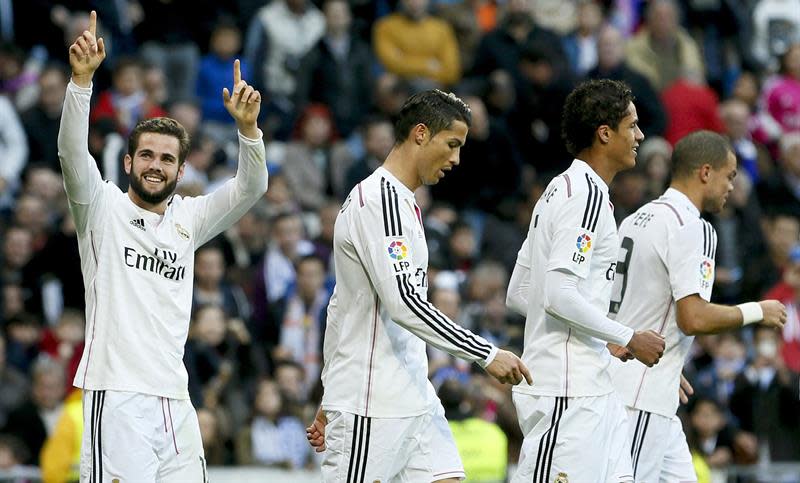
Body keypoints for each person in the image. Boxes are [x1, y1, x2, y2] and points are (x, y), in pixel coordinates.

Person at [60, 12, 268, 480]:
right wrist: (81, 83)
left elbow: (250, 187)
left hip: (176, 402)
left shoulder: (188, 221)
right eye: (148, 155)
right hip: (116, 397)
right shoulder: (101, 208)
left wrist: (249, 131)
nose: (156, 166)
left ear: (180, 172)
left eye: (168, 159)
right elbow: (72, 154)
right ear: (129, 161)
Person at [306, 89, 531, 482]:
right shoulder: (381, 201)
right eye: (452, 144)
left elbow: (342, 308)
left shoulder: (402, 202)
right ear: (421, 134)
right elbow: (405, 303)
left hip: (412, 395)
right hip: (371, 402)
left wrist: (328, 388)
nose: (457, 158)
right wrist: (485, 353)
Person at [505, 79, 666, 482]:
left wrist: (600, 335)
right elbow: (557, 295)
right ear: (604, 133)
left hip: (593, 387)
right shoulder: (586, 197)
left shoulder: (559, 190)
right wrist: (627, 335)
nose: (640, 136)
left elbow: (522, 292)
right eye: (632, 126)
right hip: (566, 391)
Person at [607, 130, 786, 481]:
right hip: (641, 395)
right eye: (730, 176)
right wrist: (757, 311)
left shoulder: (636, 219)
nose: (732, 187)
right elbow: (692, 317)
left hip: (640, 383)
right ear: (706, 172)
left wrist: (671, 363)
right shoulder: (694, 227)